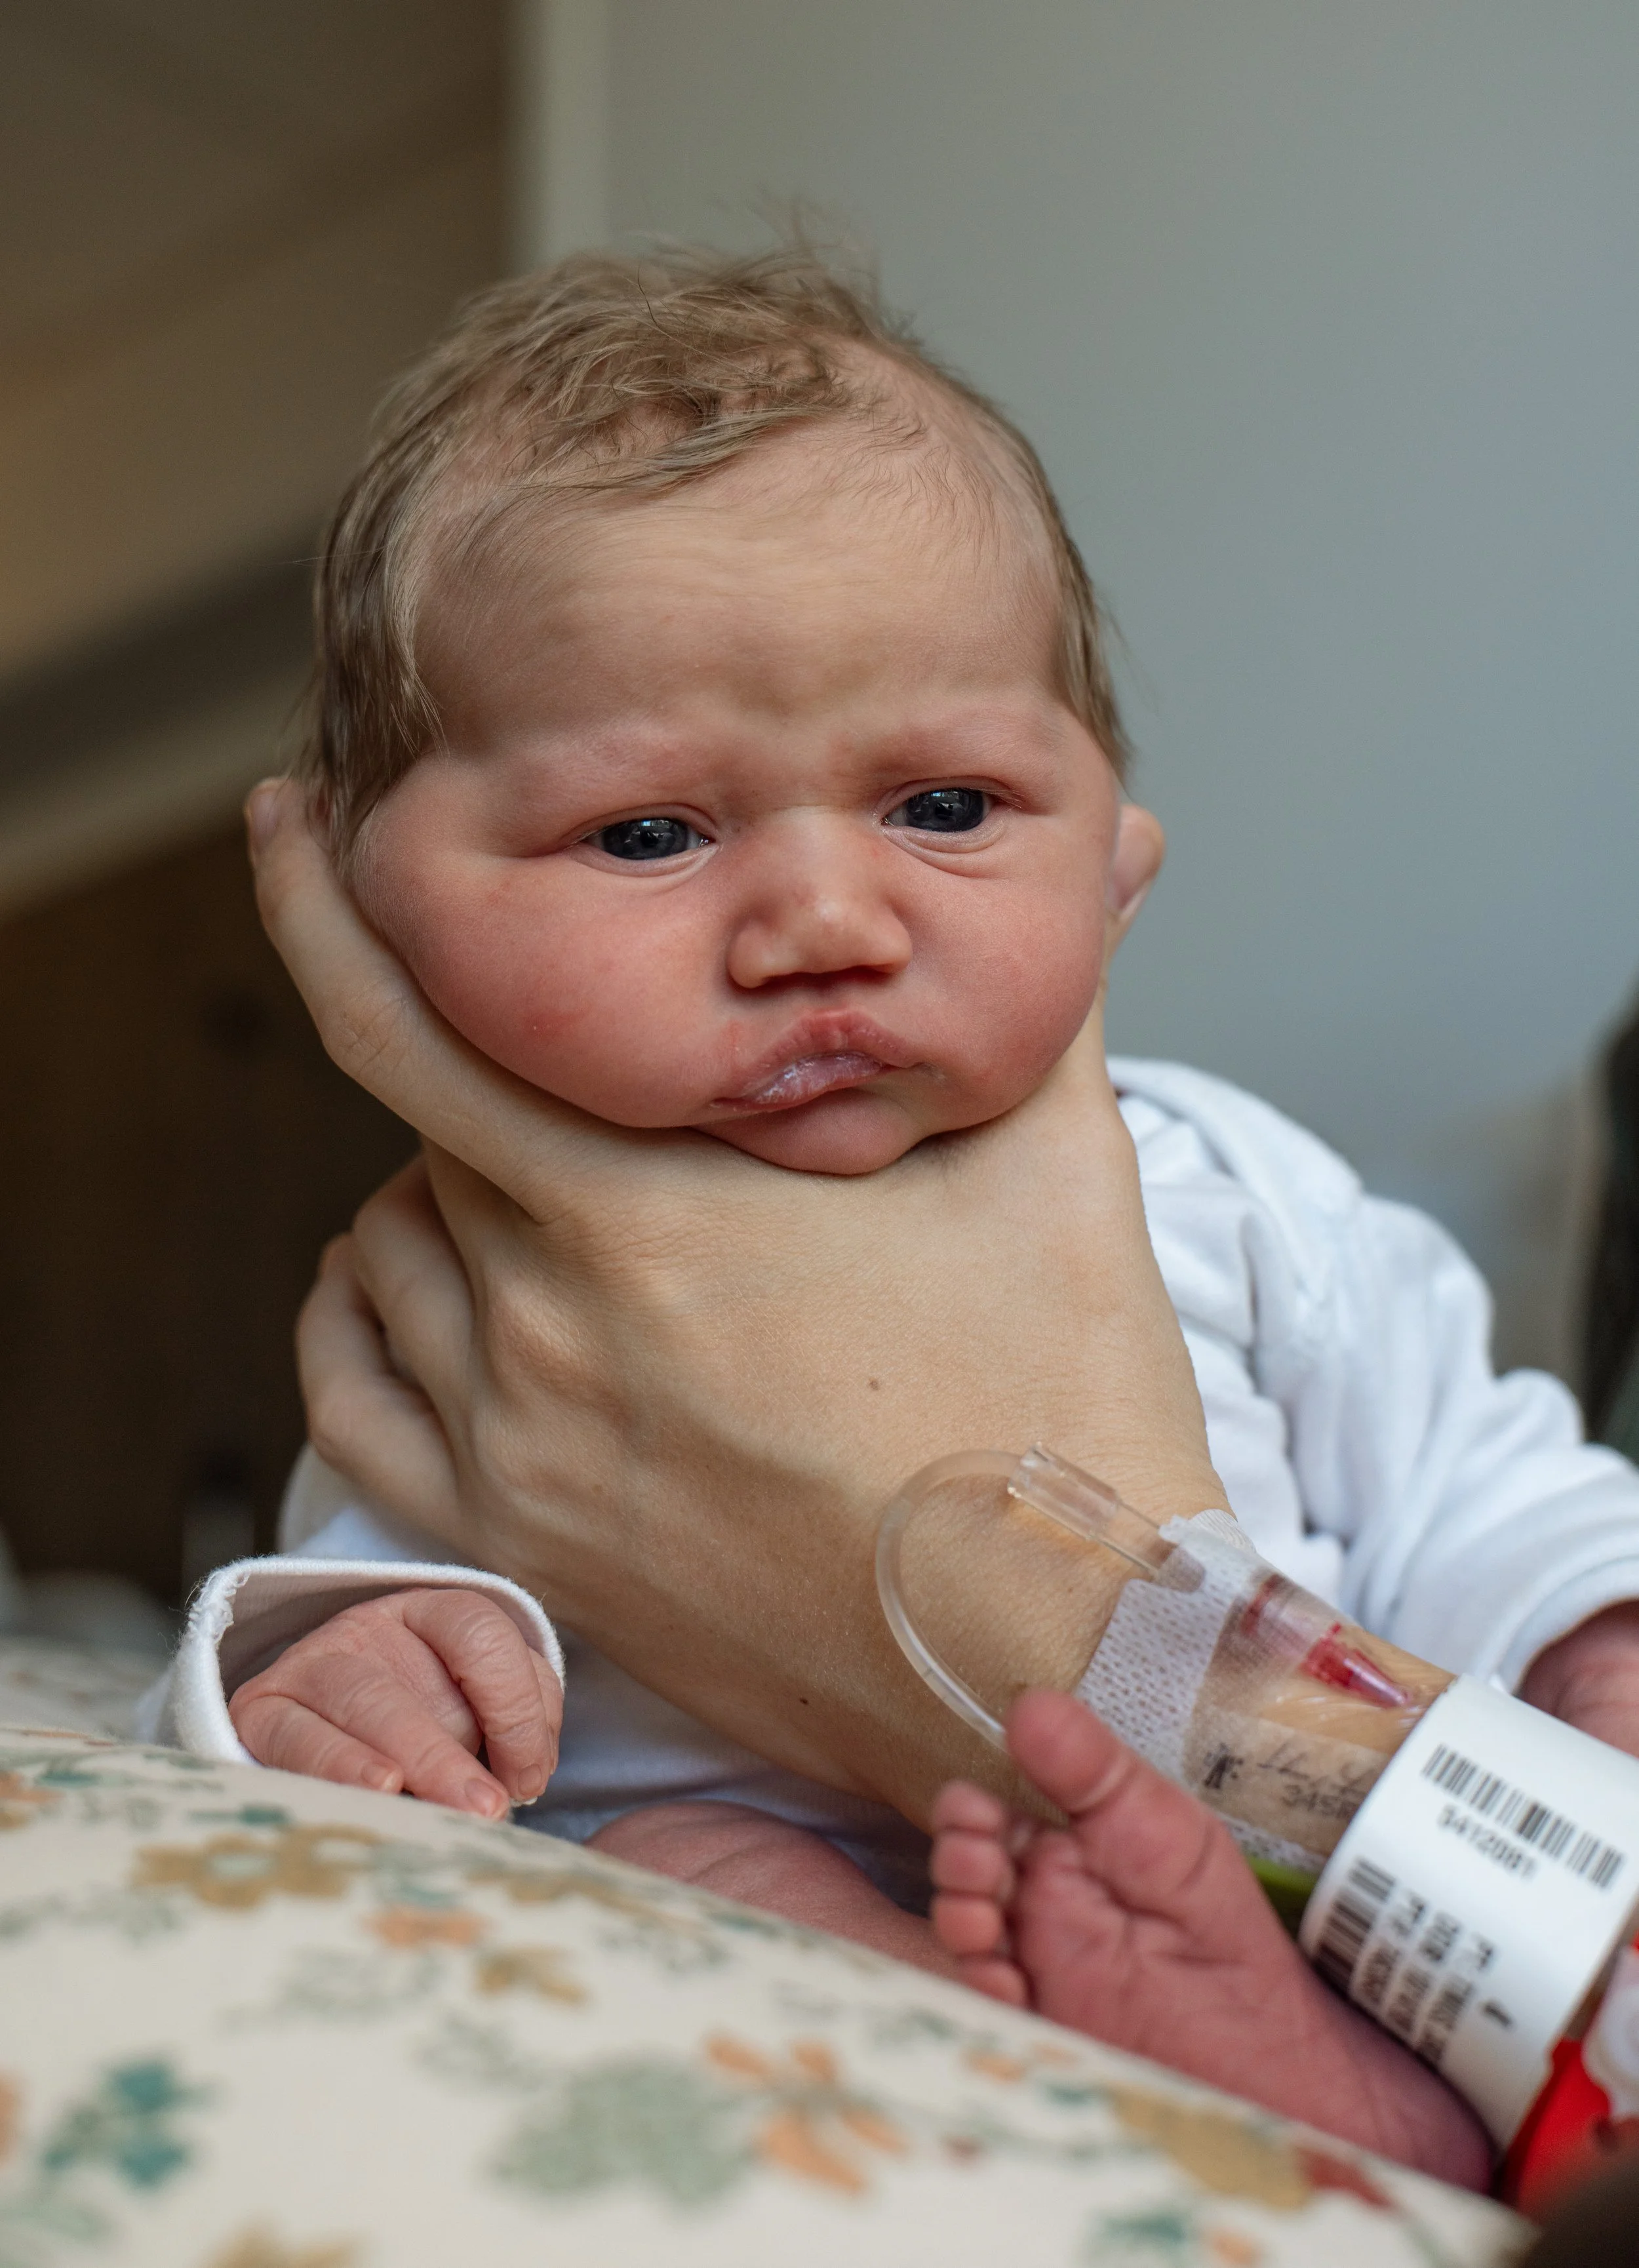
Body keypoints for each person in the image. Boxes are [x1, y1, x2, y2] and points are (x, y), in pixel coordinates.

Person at [142, 245, 1639, 2174]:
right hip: (819, 1904)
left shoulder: (1229, 1183)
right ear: (364, 900)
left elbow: (1479, 1482)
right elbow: (358, 1575)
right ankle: (1214, 2085)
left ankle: (1329, 2059)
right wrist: (329, 1662)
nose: (826, 927)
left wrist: (1592, 1636)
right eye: (649, 832)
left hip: (1330, 1857)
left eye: (942, 807)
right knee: (692, 1861)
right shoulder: (470, 1284)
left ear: (1116, 863)